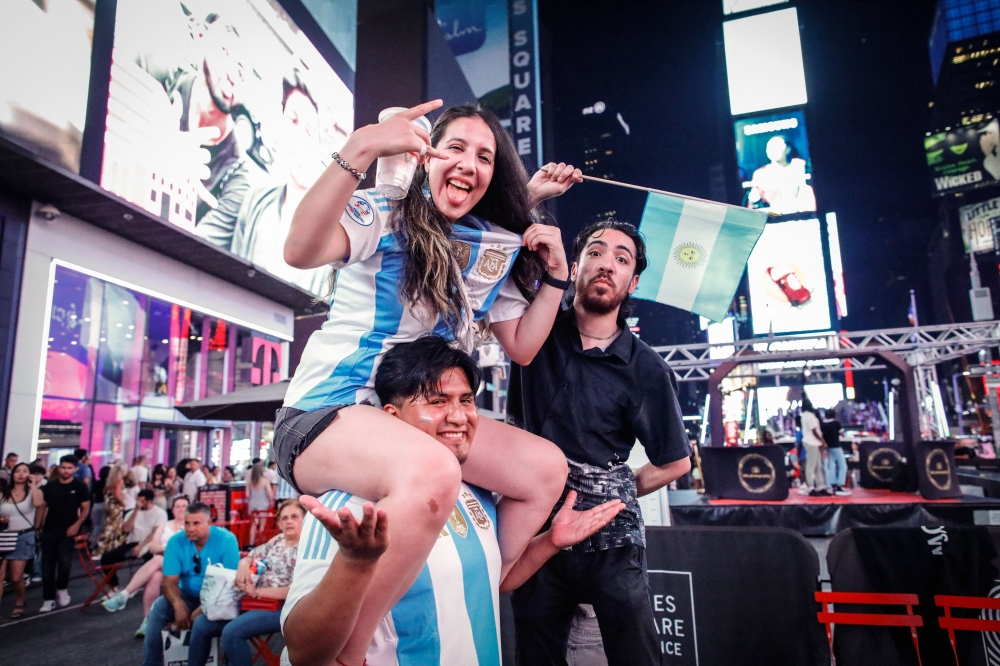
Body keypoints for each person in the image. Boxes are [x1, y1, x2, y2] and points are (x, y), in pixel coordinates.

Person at [275, 99, 580, 665]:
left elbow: (523, 346)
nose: (469, 163)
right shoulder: (388, 212)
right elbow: (299, 250)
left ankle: (497, 575)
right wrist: (362, 145)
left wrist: (558, 276)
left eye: (485, 156)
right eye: (456, 148)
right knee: (435, 468)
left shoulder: (493, 246)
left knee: (545, 470)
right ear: (425, 153)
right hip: (328, 413)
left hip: (419, 418)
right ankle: (352, 648)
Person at [283, 336, 621, 666]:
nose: (459, 416)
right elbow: (304, 652)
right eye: (437, 401)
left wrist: (549, 543)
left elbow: (492, 580)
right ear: (392, 417)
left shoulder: (474, 490)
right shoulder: (351, 507)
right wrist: (355, 563)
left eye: (466, 400)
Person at [506, 221, 693, 666]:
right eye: (596, 252)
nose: (607, 264)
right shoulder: (537, 332)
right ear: (574, 268)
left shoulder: (646, 367)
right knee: (536, 654)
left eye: (622, 259)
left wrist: (613, 493)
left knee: (636, 654)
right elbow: (502, 266)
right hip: (534, 529)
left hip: (611, 540)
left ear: (634, 282)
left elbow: (675, 463)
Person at [138, 15, 254, 242]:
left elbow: (194, 249)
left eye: (242, 70)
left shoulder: (237, 176)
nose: (232, 75)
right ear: (201, 37)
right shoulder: (156, 76)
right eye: (225, 51)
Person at [232, 69, 330, 293]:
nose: (302, 134)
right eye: (293, 120)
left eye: (309, 126)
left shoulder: (332, 225)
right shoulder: (257, 199)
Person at [184, 499, 305, 666]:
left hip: (282, 607)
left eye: (294, 516)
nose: (289, 521)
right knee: (202, 624)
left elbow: (294, 590)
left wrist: (256, 592)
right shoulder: (277, 541)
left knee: (232, 632)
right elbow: (250, 556)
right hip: (251, 599)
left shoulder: (305, 549)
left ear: (305, 519)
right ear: (279, 522)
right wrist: (242, 566)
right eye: (284, 518)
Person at [142, 502, 240, 666]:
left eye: (196, 523)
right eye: (187, 523)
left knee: (203, 622)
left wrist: (202, 609)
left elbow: (230, 584)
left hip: (221, 597)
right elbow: (169, 582)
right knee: (158, 609)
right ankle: (152, 663)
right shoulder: (175, 542)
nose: (190, 528)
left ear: (209, 523)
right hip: (188, 595)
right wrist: (178, 604)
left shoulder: (227, 540)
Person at [103, 495, 190, 638]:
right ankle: (147, 621)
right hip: (165, 564)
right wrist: (170, 548)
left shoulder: (191, 525)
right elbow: (153, 548)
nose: (180, 509)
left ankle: (125, 594)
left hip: (183, 564)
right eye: (177, 506)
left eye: (184, 506)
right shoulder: (165, 525)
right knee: (155, 576)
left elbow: (187, 548)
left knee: (157, 561)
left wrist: (168, 548)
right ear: (172, 509)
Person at [39, 455, 91, 612]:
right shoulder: (50, 486)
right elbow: (42, 506)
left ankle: (62, 588)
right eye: (63, 467)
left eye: (69, 468)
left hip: (68, 531)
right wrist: (39, 526)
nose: (66, 470)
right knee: (46, 567)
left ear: (75, 469)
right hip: (49, 529)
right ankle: (48, 598)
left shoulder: (80, 487)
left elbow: (85, 508)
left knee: (64, 563)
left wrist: (76, 525)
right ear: (58, 468)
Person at [0, 462, 44, 618]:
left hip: (23, 536)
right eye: (17, 471)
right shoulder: (4, 492)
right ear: (12, 474)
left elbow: (39, 504)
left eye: (25, 471)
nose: (21, 474)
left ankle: (20, 600)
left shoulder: (33, 492)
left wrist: (33, 485)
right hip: (4, 534)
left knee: (16, 577)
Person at [100, 489, 167, 588]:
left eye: (142, 501)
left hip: (150, 543)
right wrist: (136, 510)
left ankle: (138, 584)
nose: (139, 503)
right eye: (138, 500)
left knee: (151, 558)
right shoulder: (131, 512)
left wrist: (141, 546)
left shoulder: (160, 513)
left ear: (149, 501)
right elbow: (126, 529)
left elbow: (155, 533)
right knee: (106, 558)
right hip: (133, 543)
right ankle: (114, 587)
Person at [98, 464, 130, 556]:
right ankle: (109, 546)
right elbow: (117, 494)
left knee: (110, 524)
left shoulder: (109, 482)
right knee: (114, 526)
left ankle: (106, 546)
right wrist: (123, 504)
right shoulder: (119, 481)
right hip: (116, 506)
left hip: (110, 506)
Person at [799, 399, 829, 497]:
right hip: (812, 441)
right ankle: (811, 487)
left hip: (813, 442)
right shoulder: (810, 416)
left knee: (818, 466)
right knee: (811, 466)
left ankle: (821, 486)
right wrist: (822, 441)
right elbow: (814, 431)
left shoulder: (804, 416)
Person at [822, 409, 850, 496]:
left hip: (828, 447)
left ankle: (831, 484)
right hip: (836, 446)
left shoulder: (823, 424)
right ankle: (840, 485)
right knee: (842, 465)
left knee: (831, 465)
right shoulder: (836, 423)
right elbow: (842, 434)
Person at [246, 460, 274, 545]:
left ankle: (251, 544)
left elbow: (247, 494)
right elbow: (270, 492)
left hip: (253, 505)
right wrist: (271, 501)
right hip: (263, 505)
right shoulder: (265, 480)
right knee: (262, 525)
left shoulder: (250, 481)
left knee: (254, 525)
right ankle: (260, 543)